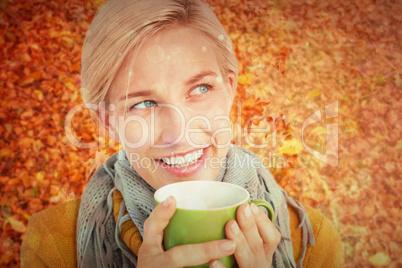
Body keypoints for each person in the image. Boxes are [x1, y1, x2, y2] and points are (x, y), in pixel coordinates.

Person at [21, 0, 342, 267]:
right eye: (143, 103)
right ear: (106, 121)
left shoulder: (311, 242)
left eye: (201, 88)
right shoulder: (54, 244)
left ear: (229, 90)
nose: (179, 133)